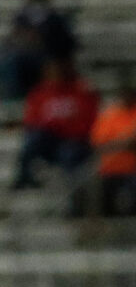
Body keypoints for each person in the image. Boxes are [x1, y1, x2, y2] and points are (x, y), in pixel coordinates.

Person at [14, 56, 98, 190]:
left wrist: (63, 128)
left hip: (73, 141)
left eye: (58, 71)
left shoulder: (81, 92)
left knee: (69, 153)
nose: (54, 75)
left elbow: (88, 122)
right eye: (51, 71)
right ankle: (23, 179)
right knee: (32, 140)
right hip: (49, 140)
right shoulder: (39, 94)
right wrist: (51, 128)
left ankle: (73, 193)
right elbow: (31, 122)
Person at [91, 75, 136, 216]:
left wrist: (121, 144)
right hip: (113, 170)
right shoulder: (111, 115)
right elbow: (99, 144)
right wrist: (125, 143)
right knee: (102, 192)